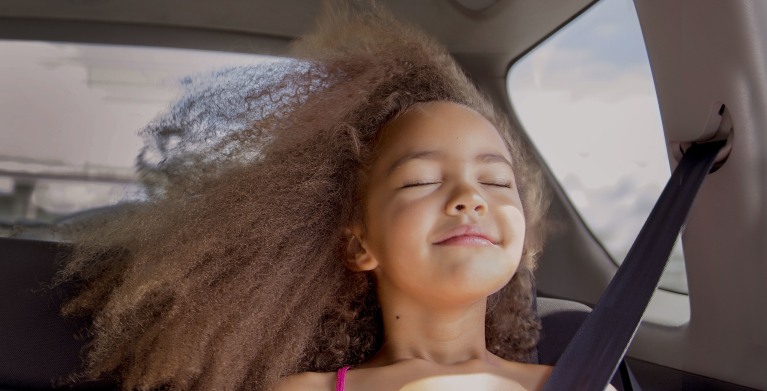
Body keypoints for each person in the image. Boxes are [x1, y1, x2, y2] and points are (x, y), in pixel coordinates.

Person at [57, 1, 566, 390]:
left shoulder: (582, 381)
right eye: (420, 181)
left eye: (497, 182)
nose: (469, 197)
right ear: (358, 243)